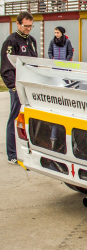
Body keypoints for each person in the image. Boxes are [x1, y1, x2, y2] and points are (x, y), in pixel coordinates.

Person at [1, 11, 37, 165]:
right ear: (18, 24)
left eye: (31, 26)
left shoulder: (32, 40)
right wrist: (13, 87)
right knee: (14, 119)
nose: (28, 29)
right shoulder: (11, 41)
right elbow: (6, 68)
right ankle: (12, 154)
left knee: (32, 119)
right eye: (26, 26)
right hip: (18, 87)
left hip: (30, 86)